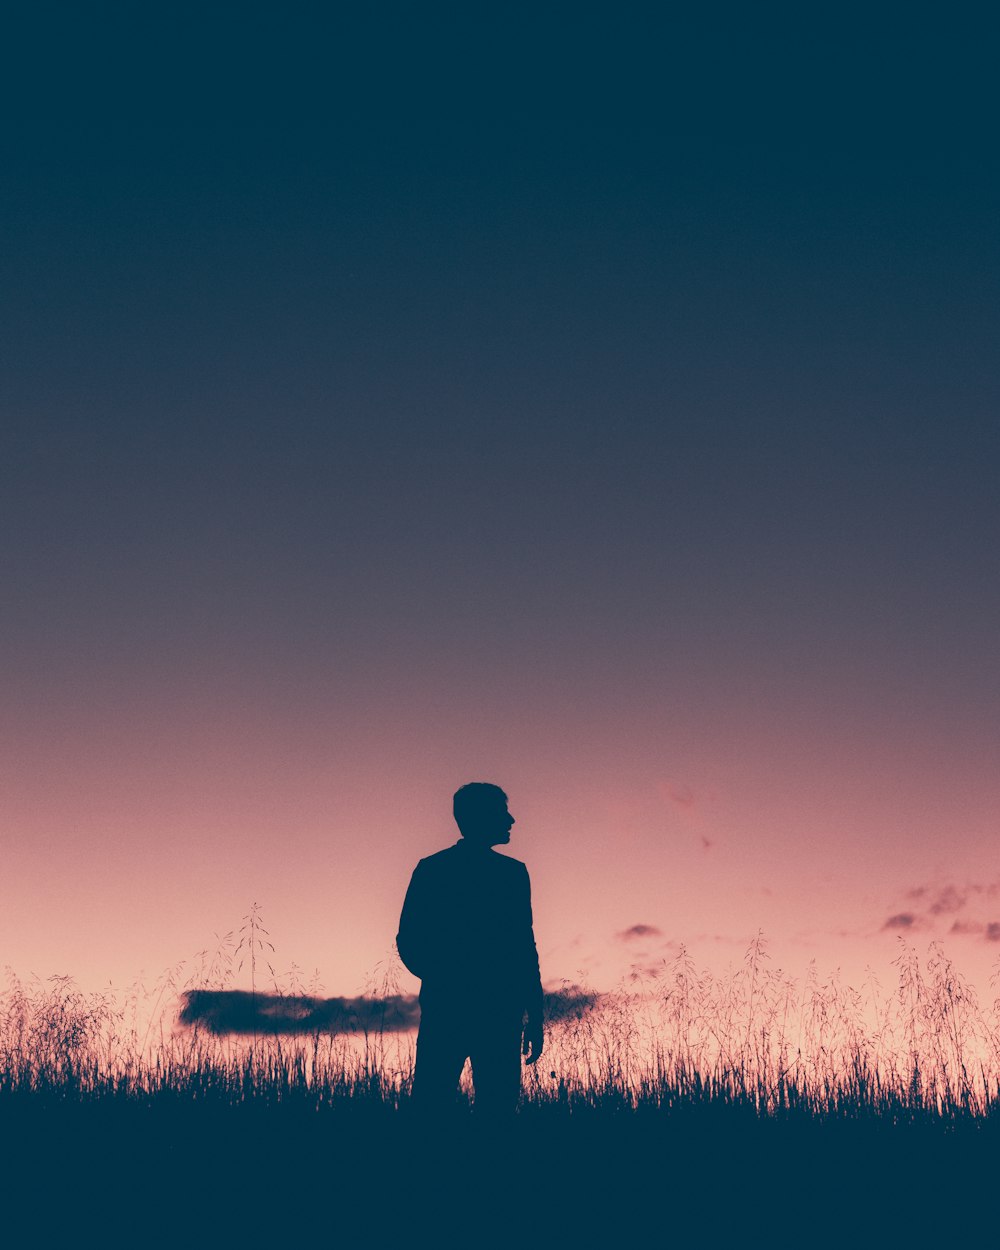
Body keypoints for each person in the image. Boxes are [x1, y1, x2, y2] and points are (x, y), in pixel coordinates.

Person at [396, 782, 544, 1118]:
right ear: (481, 817)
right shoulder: (501, 874)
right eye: (502, 811)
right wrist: (447, 977)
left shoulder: (507, 873)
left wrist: (534, 1013)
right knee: (464, 1107)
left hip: (477, 1009)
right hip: (475, 1009)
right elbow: (409, 938)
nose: (512, 819)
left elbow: (523, 947)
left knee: (472, 1106)